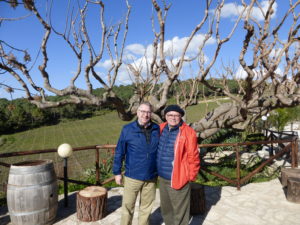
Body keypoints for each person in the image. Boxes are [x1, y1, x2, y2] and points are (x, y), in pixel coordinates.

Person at [113, 102, 160, 225]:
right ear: (137, 112)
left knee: (146, 208)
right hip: (132, 176)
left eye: (148, 112)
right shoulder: (127, 129)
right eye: (143, 111)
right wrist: (117, 172)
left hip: (151, 177)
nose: (145, 114)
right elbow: (119, 152)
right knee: (128, 208)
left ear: (151, 114)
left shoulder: (156, 129)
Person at [157, 104, 200, 225]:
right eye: (170, 115)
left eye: (176, 115)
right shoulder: (160, 128)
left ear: (181, 116)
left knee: (180, 212)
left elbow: (193, 156)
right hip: (162, 177)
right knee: (166, 209)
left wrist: (190, 176)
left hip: (179, 177)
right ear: (165, 116)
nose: (173, 117)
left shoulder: (188, 132)